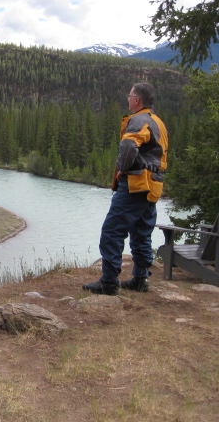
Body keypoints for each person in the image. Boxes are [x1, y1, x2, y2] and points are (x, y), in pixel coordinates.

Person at [83, 82, 168, 295]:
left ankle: (109, 282)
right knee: (141, 233)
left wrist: (123, 168)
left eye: (129, 95)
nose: (128, 98)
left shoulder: (138, 120)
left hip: (136, 185)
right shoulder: (158, 122)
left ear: (137, 100)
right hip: (153, 187)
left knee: (112, 230)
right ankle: (140, 278)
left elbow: (129, 146)